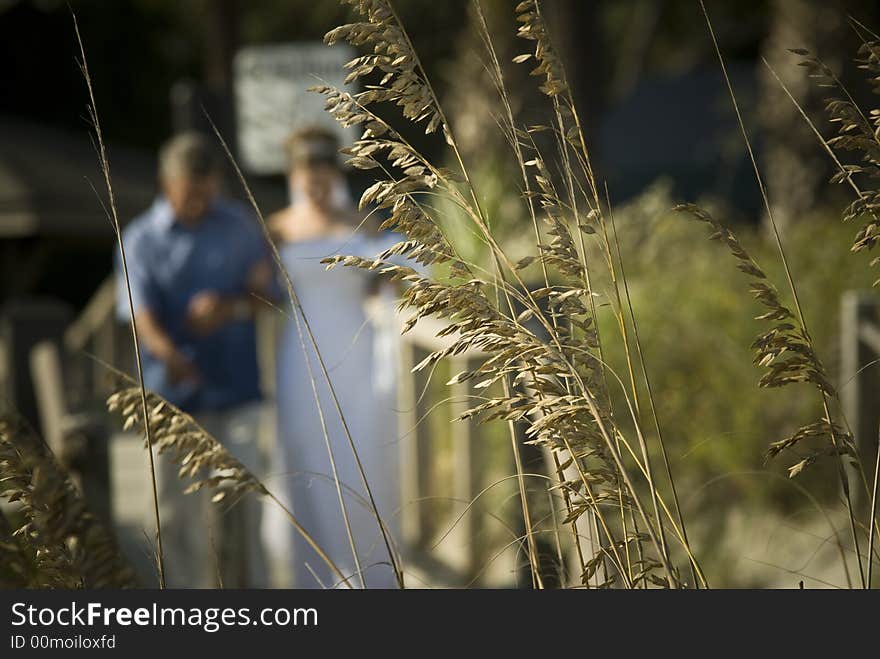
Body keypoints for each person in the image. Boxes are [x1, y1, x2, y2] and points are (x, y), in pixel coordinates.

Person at [115, 131, 275, 588]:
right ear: (168, 185)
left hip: (238, 391)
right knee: (175, 518)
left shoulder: (240, 225)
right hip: (171, 397)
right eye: (190, 196)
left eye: (207, 194)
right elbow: (138, 315)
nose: (200, 205)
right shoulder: (141, 239)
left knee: (244, 513)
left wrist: (228, 309)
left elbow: (270, 297)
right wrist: (171, 355)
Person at [262, 127, 403, 589]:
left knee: (358, 454)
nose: (316, 185)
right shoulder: (277, 226)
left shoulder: (364, 223)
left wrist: (393, 283)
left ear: (334, 176)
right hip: (300, 354)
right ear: (294, 176)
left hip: (356, 352)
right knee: (304, 452)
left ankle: (369, 575)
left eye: (323, 175)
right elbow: (257, 285)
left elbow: (386, 280)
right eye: (307, 176)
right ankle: (312, 580)